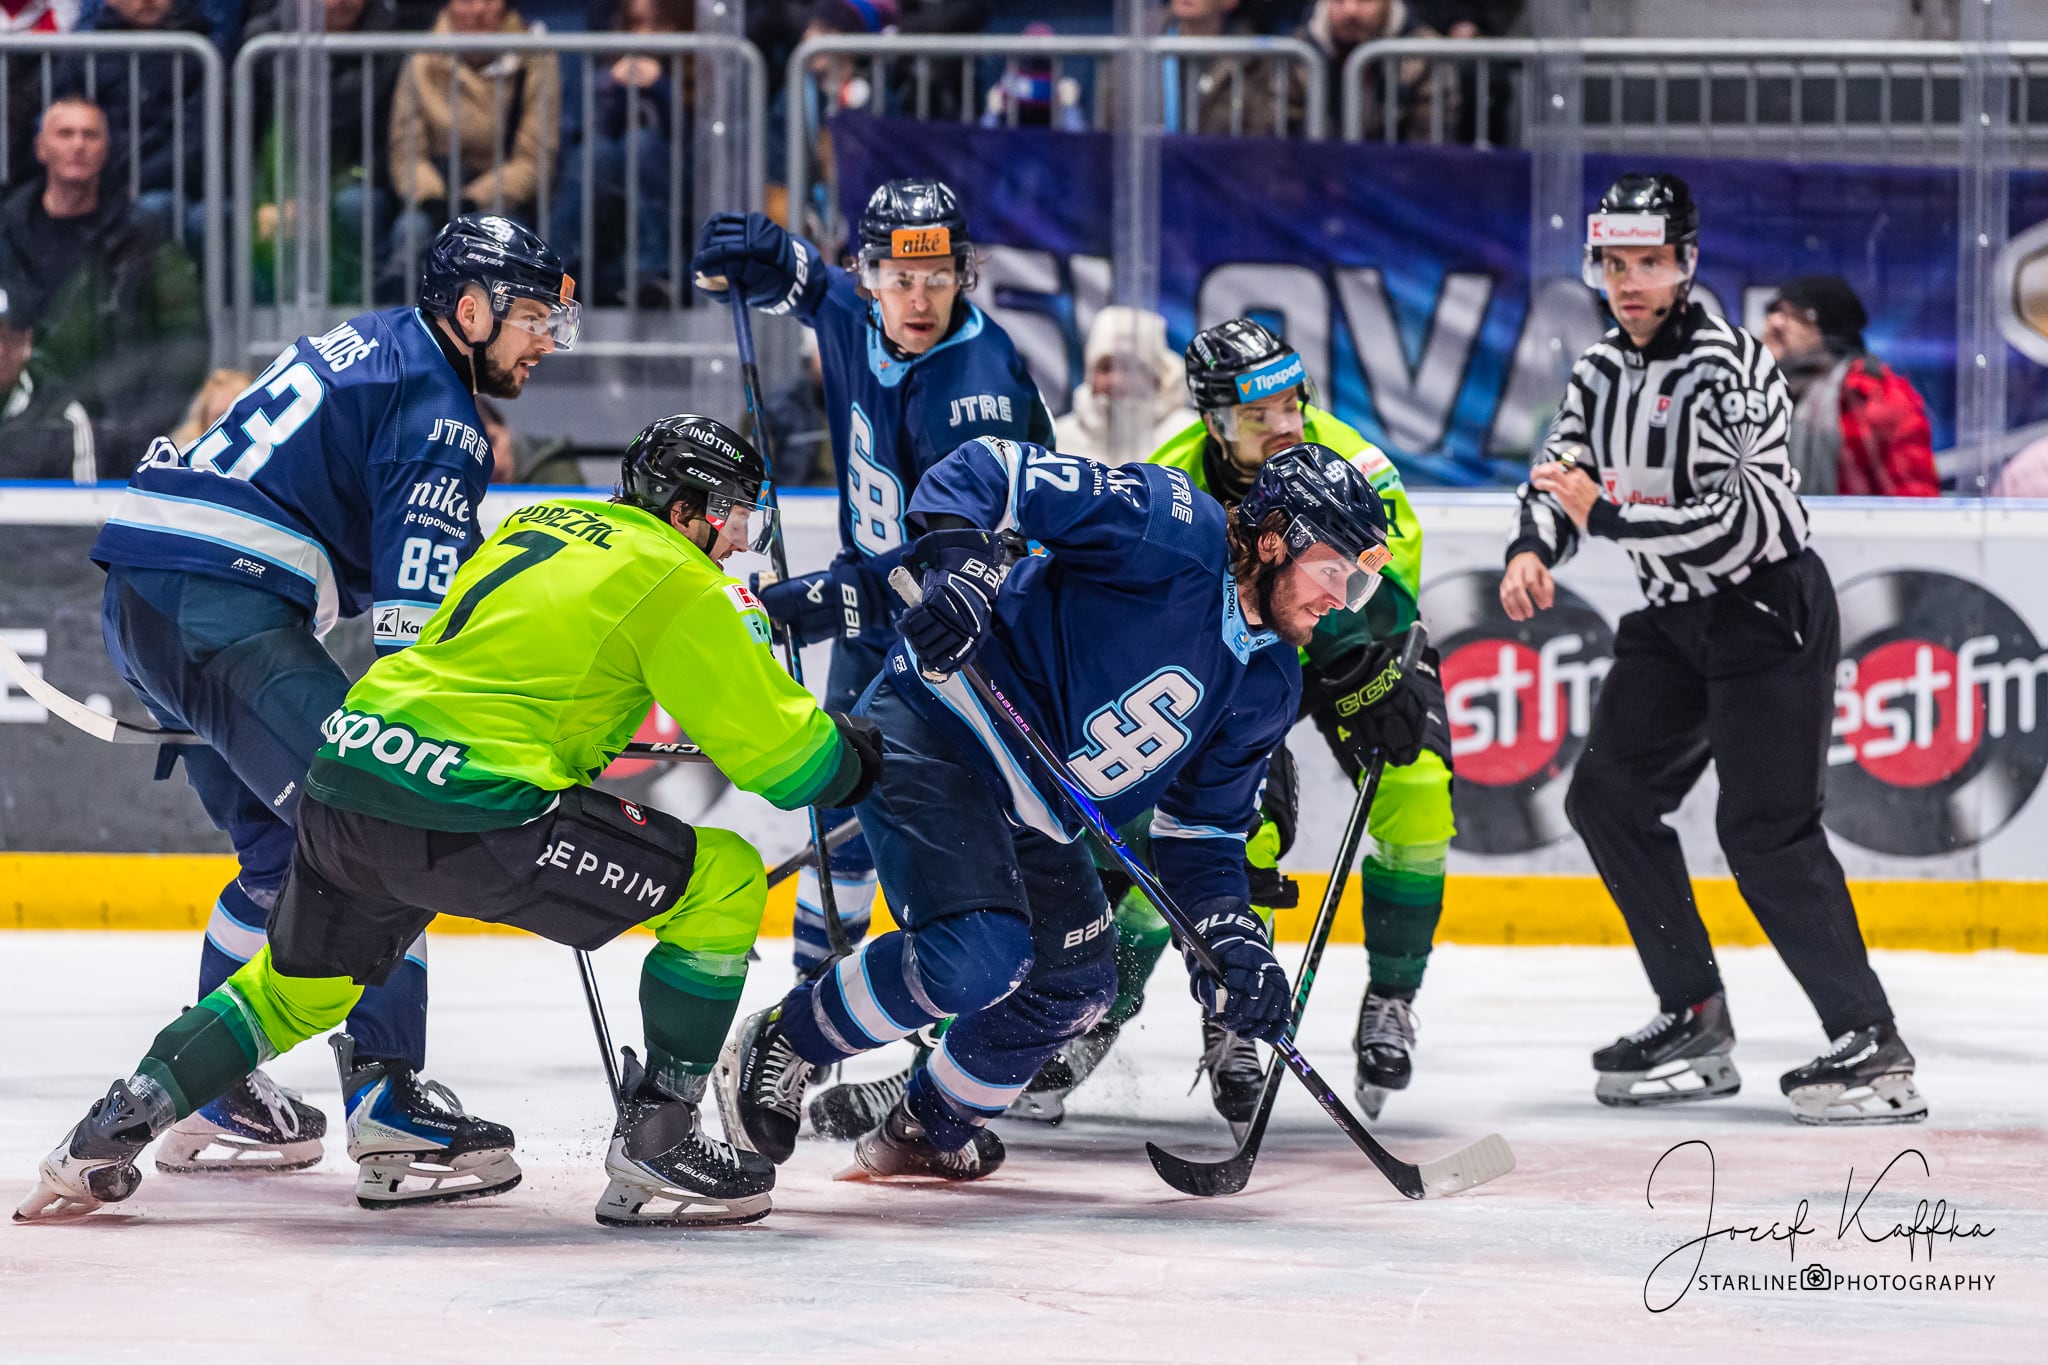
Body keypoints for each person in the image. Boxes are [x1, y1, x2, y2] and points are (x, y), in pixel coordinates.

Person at [16, 414, 887, 1228]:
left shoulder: (538, 523)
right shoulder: (679, 579)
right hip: (480, 810)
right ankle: (658, 1142)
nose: (739, 537)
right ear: (687, 508)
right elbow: (788, 762)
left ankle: (114, 1122)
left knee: (296, 989)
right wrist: (859, 754)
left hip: (350, 771)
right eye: (732, 515)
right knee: (725, 877)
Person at [716, 438, 1389, 1179]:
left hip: (1038, 803)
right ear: (1272, 541)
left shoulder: (1271, 682)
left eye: (1355, 586)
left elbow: (1201, 833)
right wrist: (965, 572)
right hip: (940, 721)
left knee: (1073, 986)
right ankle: (789, 1035)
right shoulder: (1171, 527)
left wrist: (1230, 938)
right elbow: (984, 469)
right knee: (978, 955)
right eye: (1333, 571)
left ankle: (925, 1127)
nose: (1339, 600)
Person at [79, 214, 576, 1199]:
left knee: (278, 858)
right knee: (389, 822)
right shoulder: (442, 415)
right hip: (223, 600)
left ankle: (221, 1092)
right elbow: (414, 641)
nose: (546, 340)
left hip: (143, 589)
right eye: (530, 317)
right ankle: (387, 1098)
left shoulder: (381, 342)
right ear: (469, 311)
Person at [1500, 172, 1926, 1125]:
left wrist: (1601, 514)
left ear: (1687, 263)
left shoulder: (1735, 365)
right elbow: (1560, 473)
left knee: (1764, 830)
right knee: (1607, 795)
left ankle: (1871, 1038)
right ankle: (1691, 1010)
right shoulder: (1601, 369)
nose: (1631, 281)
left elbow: (1746, 520)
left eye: (1650, 262)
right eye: (1615, 264)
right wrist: (1535, 544)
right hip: (1675, 618)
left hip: (1766, 610)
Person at [1026, 317, 1449, 1125]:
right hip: (1234, 665)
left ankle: (1393, 995)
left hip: (1339, 644)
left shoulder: (1354, 463)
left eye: (1294, 401)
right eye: (1260, 415)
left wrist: (1369, 673)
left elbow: (1385, 596)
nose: (1286, 424)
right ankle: (1199, 1013)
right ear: (1215, 419)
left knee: (1419, 787)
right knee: (1212, 827)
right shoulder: (1171, 472)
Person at [692, 178, 1054, 984]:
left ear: (965, 274)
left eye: (937, 278)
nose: (919, 299)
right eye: (899, 278)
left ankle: (982, 1015)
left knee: (956, 832)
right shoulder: (857, 315)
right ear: (870, 276)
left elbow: (964, 562)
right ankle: (813, 1000)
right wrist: (758, 248)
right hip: (876, 624)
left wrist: (826, 599)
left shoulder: (977, 389)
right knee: (837, 806)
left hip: (971, 633)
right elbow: (809, 287)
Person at [0, 94, 206, 472]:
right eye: (65, 133)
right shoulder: (5, 231)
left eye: (89, 135)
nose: (78, 144)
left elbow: (185, 340)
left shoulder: (144, 237)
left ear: (106, 148)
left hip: (113, 437)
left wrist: (137, 432)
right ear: (41, 147)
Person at [386, 0, 560, 288]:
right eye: (466, 0)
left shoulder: (534, 58)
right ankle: (402, 317)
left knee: (493, 242)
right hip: (435, 191)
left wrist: (472, 203)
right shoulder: (422, 57)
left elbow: (535, 156)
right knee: (410, 230)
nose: (477, 11)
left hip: (501, 193)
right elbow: (406, 150)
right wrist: (432, 198)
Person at [243, 0, 404, 308]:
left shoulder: (390, 44)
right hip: (278, 188)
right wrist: (271, 198)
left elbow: (385, 149)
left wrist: (325, 197)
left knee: (355, 205)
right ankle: (260, 328)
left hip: (357, 180)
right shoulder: (263, 46)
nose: (342, 2)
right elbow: (245, 140)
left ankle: (371, 324)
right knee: (239, 218)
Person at [550, 0, 692, 309]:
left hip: (679, 198)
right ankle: (554, 272)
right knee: (596, 154)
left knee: (639, 145)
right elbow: (575, 137)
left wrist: (664, 90)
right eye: (635, 24)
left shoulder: (702, 78)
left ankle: (655, 274)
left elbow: (699, 150)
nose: (642, 36)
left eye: (657, 25)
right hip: (610, 196)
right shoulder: (606, 78)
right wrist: (608, 92)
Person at [1761, 274, 1938, 498]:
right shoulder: (1751, 394)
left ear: (1829, 330)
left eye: (1794, 314)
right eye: (1773, 311)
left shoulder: (1870, 396)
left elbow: (1914, 505)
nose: (1776, 323)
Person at [69, 0, 215, 247]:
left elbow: (195, 143)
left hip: (165, 187)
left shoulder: (200, 55)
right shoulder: (84, 53)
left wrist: (137, 180)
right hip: (99, 183)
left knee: (154, 209)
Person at [1298, 0, 1458, 142]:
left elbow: (1429, 149)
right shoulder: (1296, 52)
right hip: (1318, 173)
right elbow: (1282, 145)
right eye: (1339, 1)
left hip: (1398, 171)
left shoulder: (1426, 53)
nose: (1351, 10)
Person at [1054, 306, 1194, 465]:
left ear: (1156, 376)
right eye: (1105, 368)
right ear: (1090, 376)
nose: (1115, 380)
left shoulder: (1189, 436)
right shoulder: (1059, 440)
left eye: (1129, 367)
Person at [0, 275, 96, 481]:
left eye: (9, 338)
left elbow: (85, 508)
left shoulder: (64, 420)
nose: (0, 351)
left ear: (26, 343)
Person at [166, 367, 255, 448]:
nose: (225, 402)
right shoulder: (181, 452)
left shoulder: (256, 452)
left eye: (235, 396)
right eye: (219, 417)